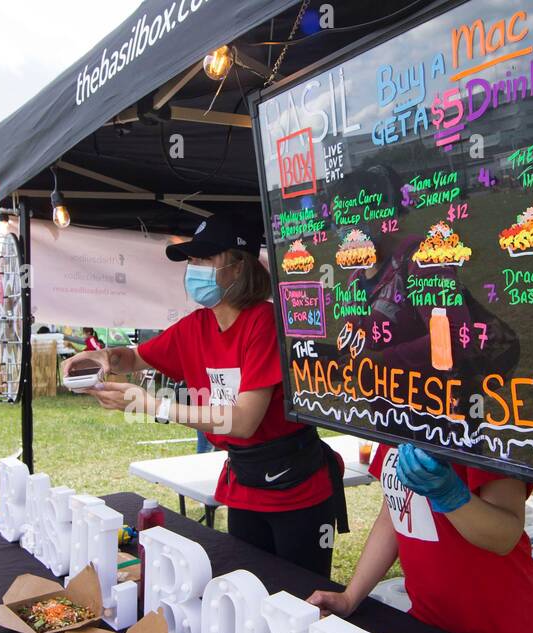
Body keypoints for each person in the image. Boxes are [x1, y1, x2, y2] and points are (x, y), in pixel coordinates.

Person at [62, 214, 347, 577]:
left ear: (238, 267)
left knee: (302, 595)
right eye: (192, 261)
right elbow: (134, 357)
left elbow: (244, 420)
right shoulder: (197, 326)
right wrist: (105, 357)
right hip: (245, 486)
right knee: (251, 589)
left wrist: (152, 405)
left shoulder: (264, 323)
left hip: (296, 490)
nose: (194, 269)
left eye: (204, 259)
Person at [309, 442, 533, 633]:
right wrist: (350, 597)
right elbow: (393, 514)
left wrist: (450, 495)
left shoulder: (483, 427)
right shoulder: (395, 420)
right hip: (429, 632)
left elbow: (505, 536)